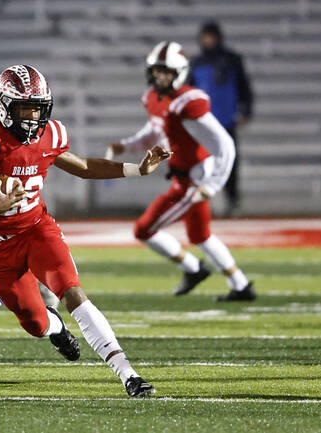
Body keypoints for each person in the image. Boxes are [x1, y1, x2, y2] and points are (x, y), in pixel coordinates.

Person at [0, 64, 171, 397]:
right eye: (24, 108)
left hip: (36, 229)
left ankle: (129, 375)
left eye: (37, 108)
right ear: (4, 107)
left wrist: (138, 169)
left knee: (73, 292)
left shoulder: (48, 136)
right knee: (36, 324)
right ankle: (56, 327)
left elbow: (85, 167)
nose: (32, 117)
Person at [109, 41, 255, 301]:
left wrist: (211, 186)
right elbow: (154, 131)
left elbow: (225, 145)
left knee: (144, 229)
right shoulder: (154, 98)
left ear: (180, 73)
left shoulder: (186, 102)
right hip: (183, 177)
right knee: (201, 236)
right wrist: (125, 146)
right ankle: (241, 285)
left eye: (166, 72)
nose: (160, 77)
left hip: (193, 180)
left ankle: (193, 268)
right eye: (157, 71)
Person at [186, 21, 252, 216]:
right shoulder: (196, 63)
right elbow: (189, 92)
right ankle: (205, 203)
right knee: (204, 164)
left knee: (229, 162)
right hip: (204, 123)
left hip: (225, 121)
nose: (208, 41)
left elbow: (244, 88)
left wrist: (245, 110)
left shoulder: (232, 61)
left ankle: (232, 200)